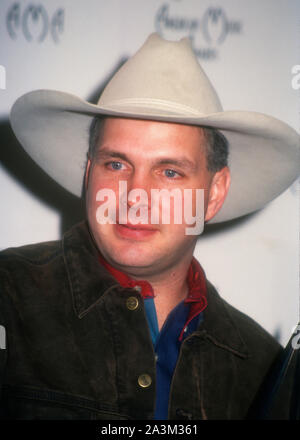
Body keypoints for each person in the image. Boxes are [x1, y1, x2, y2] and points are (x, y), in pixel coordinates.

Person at [0, 33, 299, 420]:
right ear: (89, 174)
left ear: (214, 193)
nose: (135, 196)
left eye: (170, 171)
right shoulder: (7, 299)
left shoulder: (260, 366)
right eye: (117, 164)